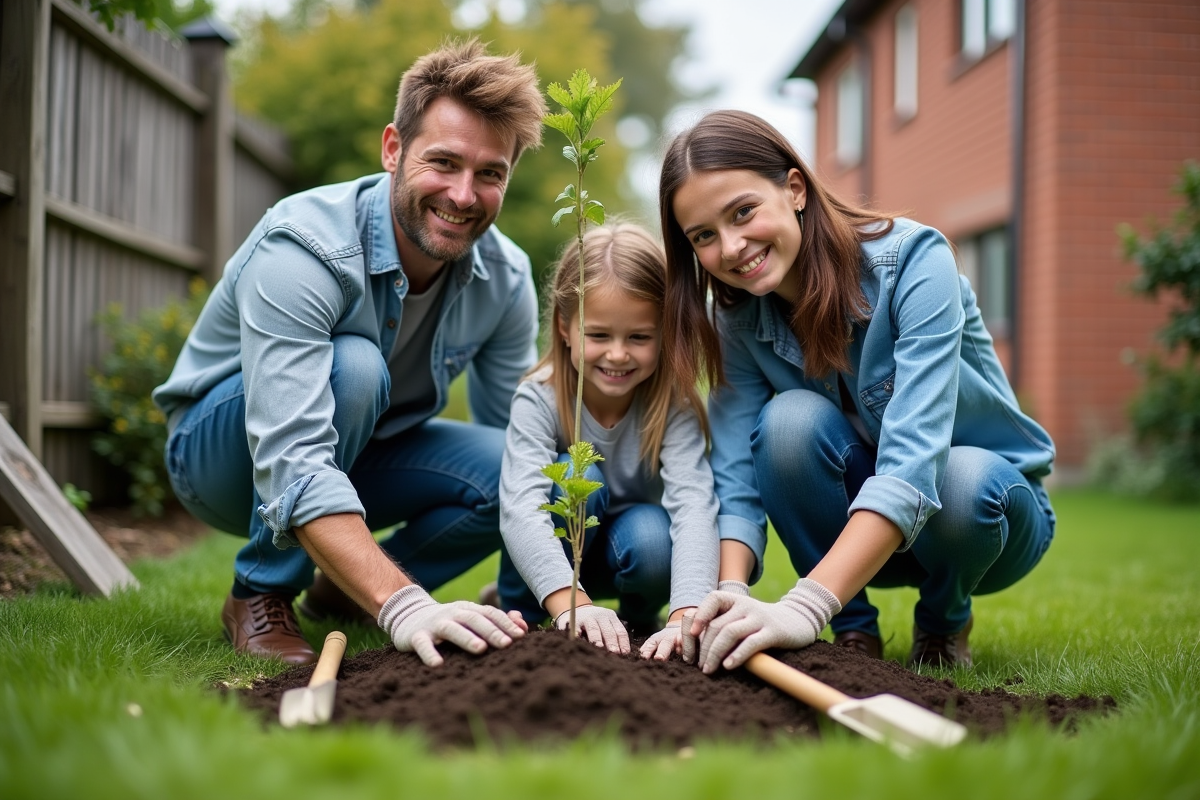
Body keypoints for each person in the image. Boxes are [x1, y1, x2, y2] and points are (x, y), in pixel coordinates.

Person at [152, 39, 547, 667]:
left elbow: (517, 440)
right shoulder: (304, 246)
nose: (464, 195)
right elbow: (294, 454)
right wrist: (407, 606)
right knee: (356, 367)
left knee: (523, 467)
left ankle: (344, 589)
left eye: (490, 174)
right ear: (393, 149)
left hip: (366, 452)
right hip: (224, 459)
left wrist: (541, 588)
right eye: (443, 162)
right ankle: (261, 591)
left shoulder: (506, 278)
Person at [657, 110, 1057, 674]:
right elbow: (736, 479)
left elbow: (914, 464)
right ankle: (853, 633)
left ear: (794, 189)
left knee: (962, 481)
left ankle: (944, 621)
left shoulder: (916, 263)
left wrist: (801, 607)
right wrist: (731, 590)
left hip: (986, 524)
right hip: (862, 537)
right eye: (704, 236)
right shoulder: (738, 318)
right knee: (786, 424)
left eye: (743, 212)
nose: (732, 247)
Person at [498, 222, 745, 659]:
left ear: (664, 333)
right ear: (564, 327)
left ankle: (636, 625)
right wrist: (569, 602)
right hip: (550, 559)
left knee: (653, 538)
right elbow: (521, 508)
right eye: (598, 335)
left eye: (639, 337)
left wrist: (686, 612)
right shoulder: (538, 397)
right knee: (577, 476)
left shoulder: (673, 405)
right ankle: (527, 609)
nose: (617, 354)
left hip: (624, 549)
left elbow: (693, 505)